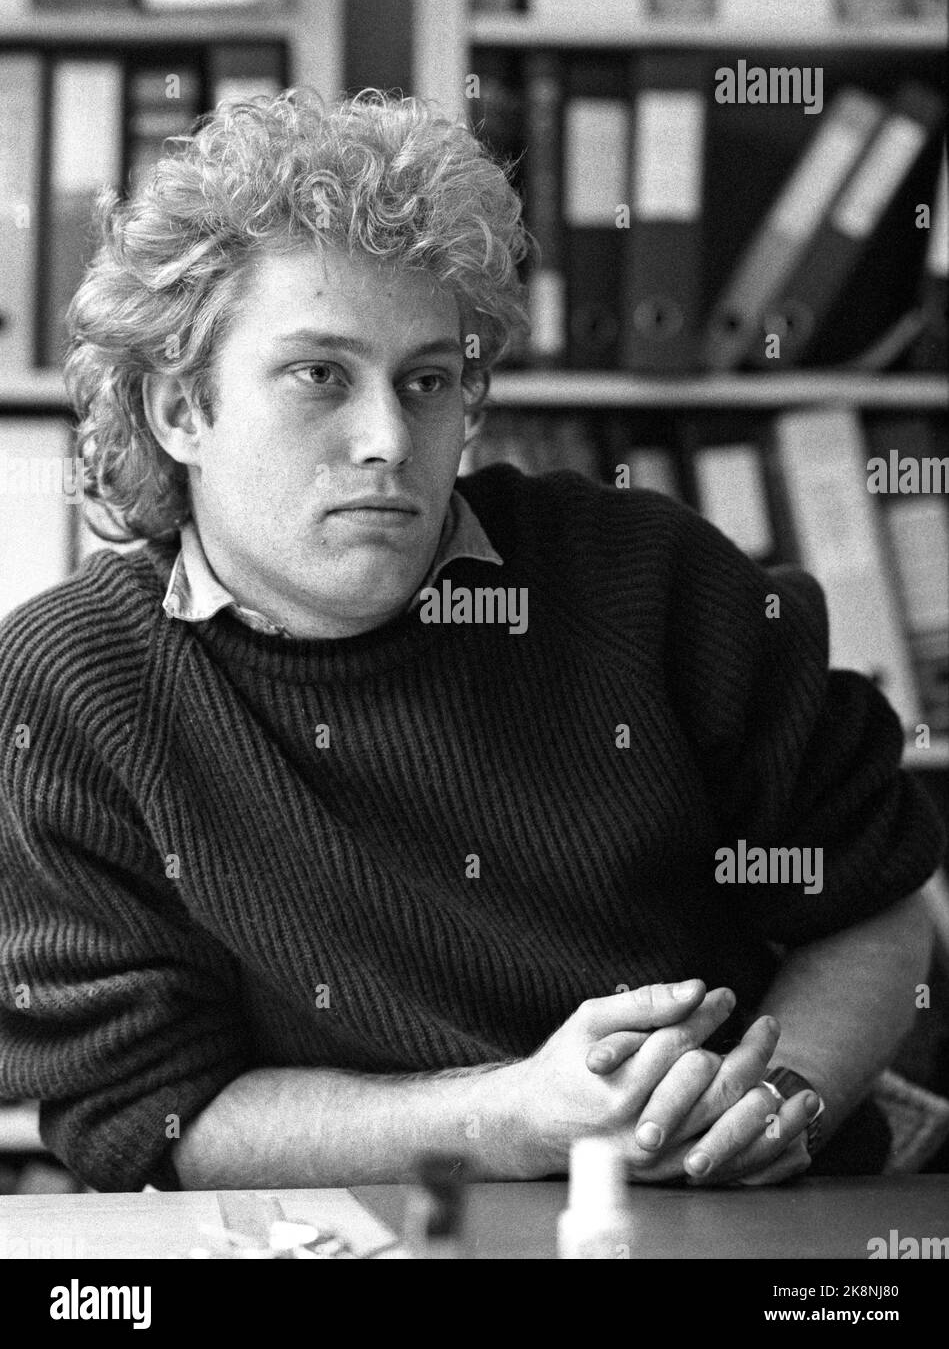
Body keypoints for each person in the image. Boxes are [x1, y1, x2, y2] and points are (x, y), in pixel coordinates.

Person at [0, 90, 941, 1193]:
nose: (389, 440)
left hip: (751, 1215)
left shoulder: (646, 577)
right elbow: (152, 1115)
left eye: (428, 380)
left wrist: (781, 1100)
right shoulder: (69, 687)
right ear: (181, 411)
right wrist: (512, 1118)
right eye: (320, 375)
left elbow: (876, 907)